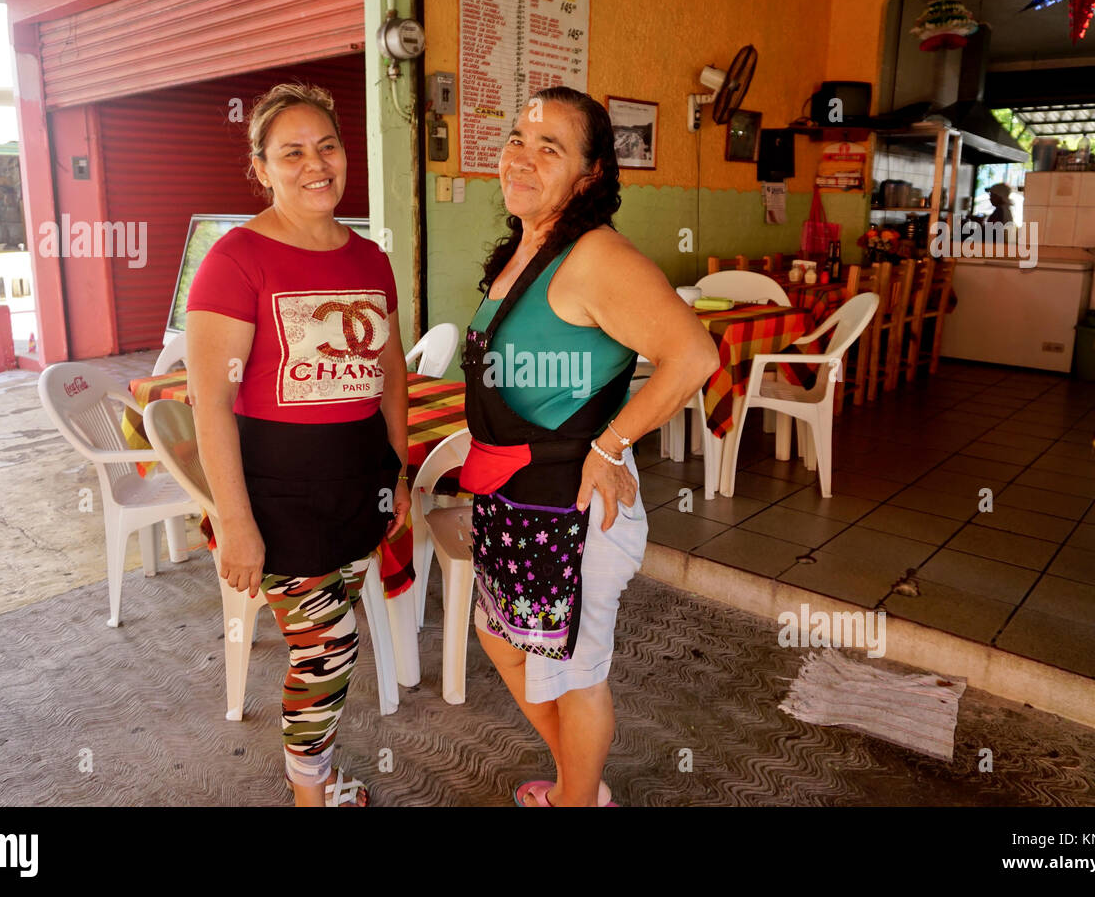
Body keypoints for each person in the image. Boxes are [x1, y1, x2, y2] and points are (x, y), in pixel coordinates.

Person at [459, 87, 719, 807]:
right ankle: (580, 780)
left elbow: (694, 356)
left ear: (591, 174)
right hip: (517, 496)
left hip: (572, 509)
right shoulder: (526, 248)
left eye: (550, 147)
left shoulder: (595, 256)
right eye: (517, 138)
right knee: (503, 638)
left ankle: (578, 798)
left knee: (574, 675)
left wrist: (609, 448)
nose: (522, 157)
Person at [185, 83, 411, 807]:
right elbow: (209, 400)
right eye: (292, 152)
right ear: (262, 168)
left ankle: (315, 776)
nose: (316, 164)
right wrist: (237, 521)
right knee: (328, 651)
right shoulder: (238, 257)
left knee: (330, 643)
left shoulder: (371, 259)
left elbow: (392, 377)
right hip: (275, 492)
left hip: (357, 483)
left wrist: (397, 473)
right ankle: (309, 792)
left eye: (328, 147)